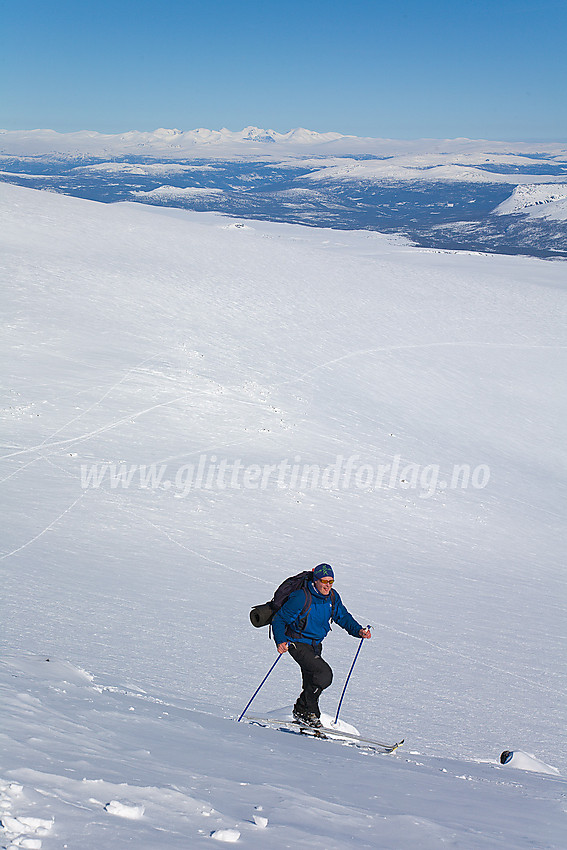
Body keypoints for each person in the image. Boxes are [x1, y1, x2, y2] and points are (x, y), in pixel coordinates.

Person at [271, 563, 371, 728]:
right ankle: (303, 711)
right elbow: (279, 619)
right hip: (296, 643)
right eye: (324, 581)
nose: (327, 585)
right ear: (315, 580)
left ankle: (309, 718)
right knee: (324, 674)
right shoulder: (301, 597)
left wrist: (358, 631)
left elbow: (343, 616)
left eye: (331, 582)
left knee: (312, 681)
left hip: (316, 644)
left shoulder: (332, 597)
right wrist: (280, 640)